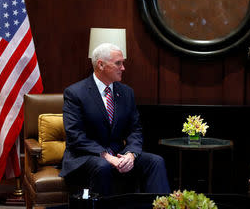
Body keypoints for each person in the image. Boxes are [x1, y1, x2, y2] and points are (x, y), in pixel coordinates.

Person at [59, 42, 170, 196]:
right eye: (118, 63)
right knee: (102, 165)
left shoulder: (126, 92)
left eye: (123, 63)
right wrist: (107, 157)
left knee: (155, 162)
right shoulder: (75, 93)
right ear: (101, 65)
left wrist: (131, 154)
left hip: (119, 155)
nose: (123, 68)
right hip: (85, 157)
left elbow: (135, 130)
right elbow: (75, 135)